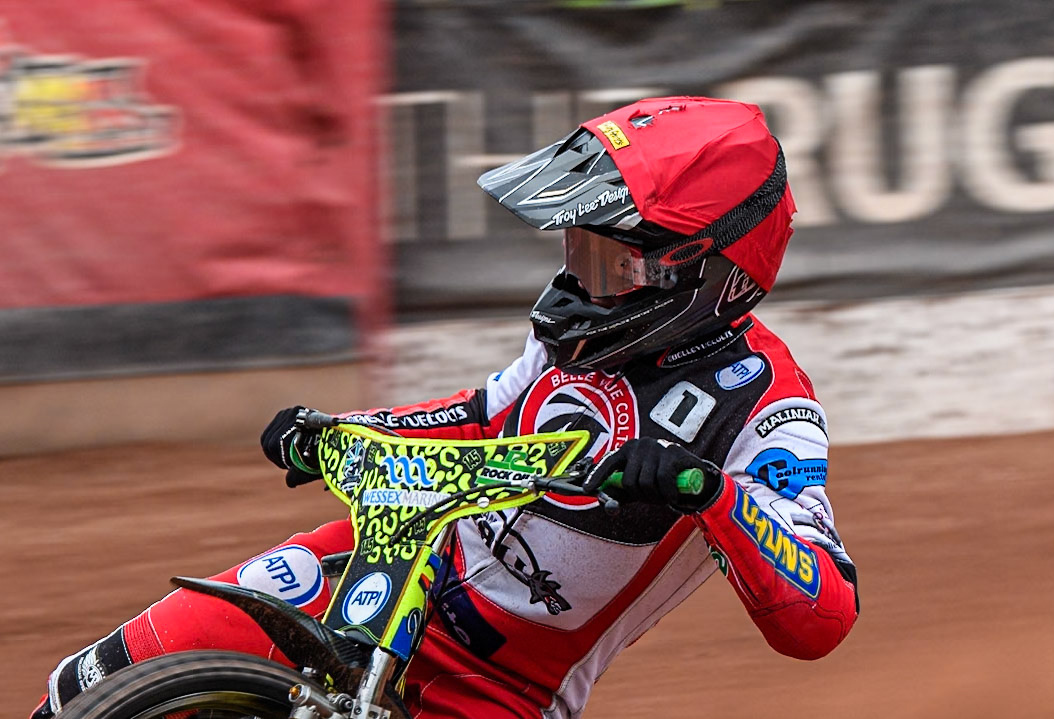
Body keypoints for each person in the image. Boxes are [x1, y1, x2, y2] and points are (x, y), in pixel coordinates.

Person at [31, 96, 858, 719]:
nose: (581, 283)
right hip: (385, 568)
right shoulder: (575, 338)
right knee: (92, 683)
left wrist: (707, 491)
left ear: (708, 273)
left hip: (501, 682)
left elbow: (819, 617)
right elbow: (479, 412)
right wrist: (338, 430)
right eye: (580, 251)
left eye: (615, 265)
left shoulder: (768, 408)